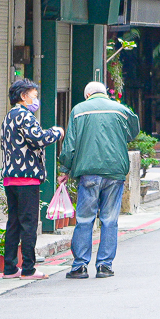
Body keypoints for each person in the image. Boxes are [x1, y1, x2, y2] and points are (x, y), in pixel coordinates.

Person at [59, 80, 141, 280]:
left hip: (88, 172)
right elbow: (133, 131)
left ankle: (80, 266)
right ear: (105, 93)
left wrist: (64, 169)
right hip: (115, 172)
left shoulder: (79, 110)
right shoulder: (121, 110)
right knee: (110, 220)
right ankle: (105, 266)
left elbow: (70, 145)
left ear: (87, 95)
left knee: (85, 219)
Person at [0, 78, 64, 279]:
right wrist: (56, 132)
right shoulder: (25, 116)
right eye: (34, 96)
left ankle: (9, 267)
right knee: (29, 224)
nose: (36, 100)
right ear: (23, 96)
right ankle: (28, 268)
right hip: (26, 178)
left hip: (10, 177)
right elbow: (38, 139)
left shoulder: (9, 116)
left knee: (14, 223)